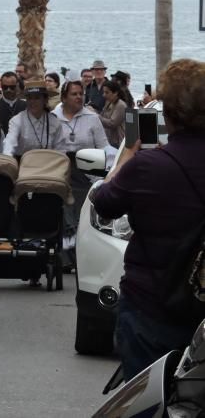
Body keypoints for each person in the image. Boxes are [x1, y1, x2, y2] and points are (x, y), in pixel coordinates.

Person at [90, 59, 205, 380]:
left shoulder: (149, 166)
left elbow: (105, 203)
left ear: (168, 111)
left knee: (148, 397)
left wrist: (124, 161)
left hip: (151, 303)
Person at [52, 80, 110, 264]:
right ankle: (66, 253)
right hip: (61, 172)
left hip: (87, 172)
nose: (79, 97)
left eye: (80, 93)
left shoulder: (92, 118)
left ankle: (81, 253)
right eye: (74, 94)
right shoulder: (53, 118)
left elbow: (104, 147)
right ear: (63, 97)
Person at [3, 80, 66, 156]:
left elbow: (60, 150)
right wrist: (8, 158)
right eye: (29, 98)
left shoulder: (55, 122)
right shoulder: (17, 121)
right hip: (24, 164)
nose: (32, 101)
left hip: (49, 164)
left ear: (45, 100)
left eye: (37, 98)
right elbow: (9, 143)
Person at [0, 71, 26, 135]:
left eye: (12, 87)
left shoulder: (26, 106)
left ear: (17, 85)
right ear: (1, 86)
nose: (8, 90)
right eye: (5, 87)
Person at [99, 80, 128, 147]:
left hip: (117, 142)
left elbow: (112, 123)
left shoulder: (121, 105)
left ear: (115, 93)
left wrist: (97, 117)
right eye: (103, 92)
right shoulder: (108, 102)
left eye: (107, 92)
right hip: (109, 139)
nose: (104, 95)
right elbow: (103, 115)